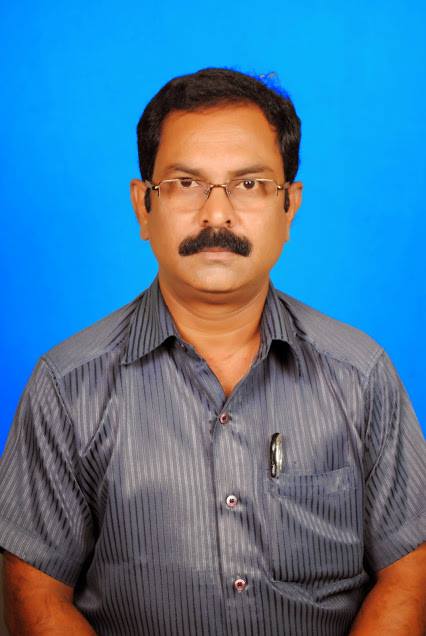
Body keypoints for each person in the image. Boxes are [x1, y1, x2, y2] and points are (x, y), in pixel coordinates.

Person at [1, 67, 425, 636]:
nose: (217, 214)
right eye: (185, 183)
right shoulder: (66, 385)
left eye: (249, 184)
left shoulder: (361, 374)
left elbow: (409, 574)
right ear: (143, 206)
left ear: (289, 207)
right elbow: (34, 595)